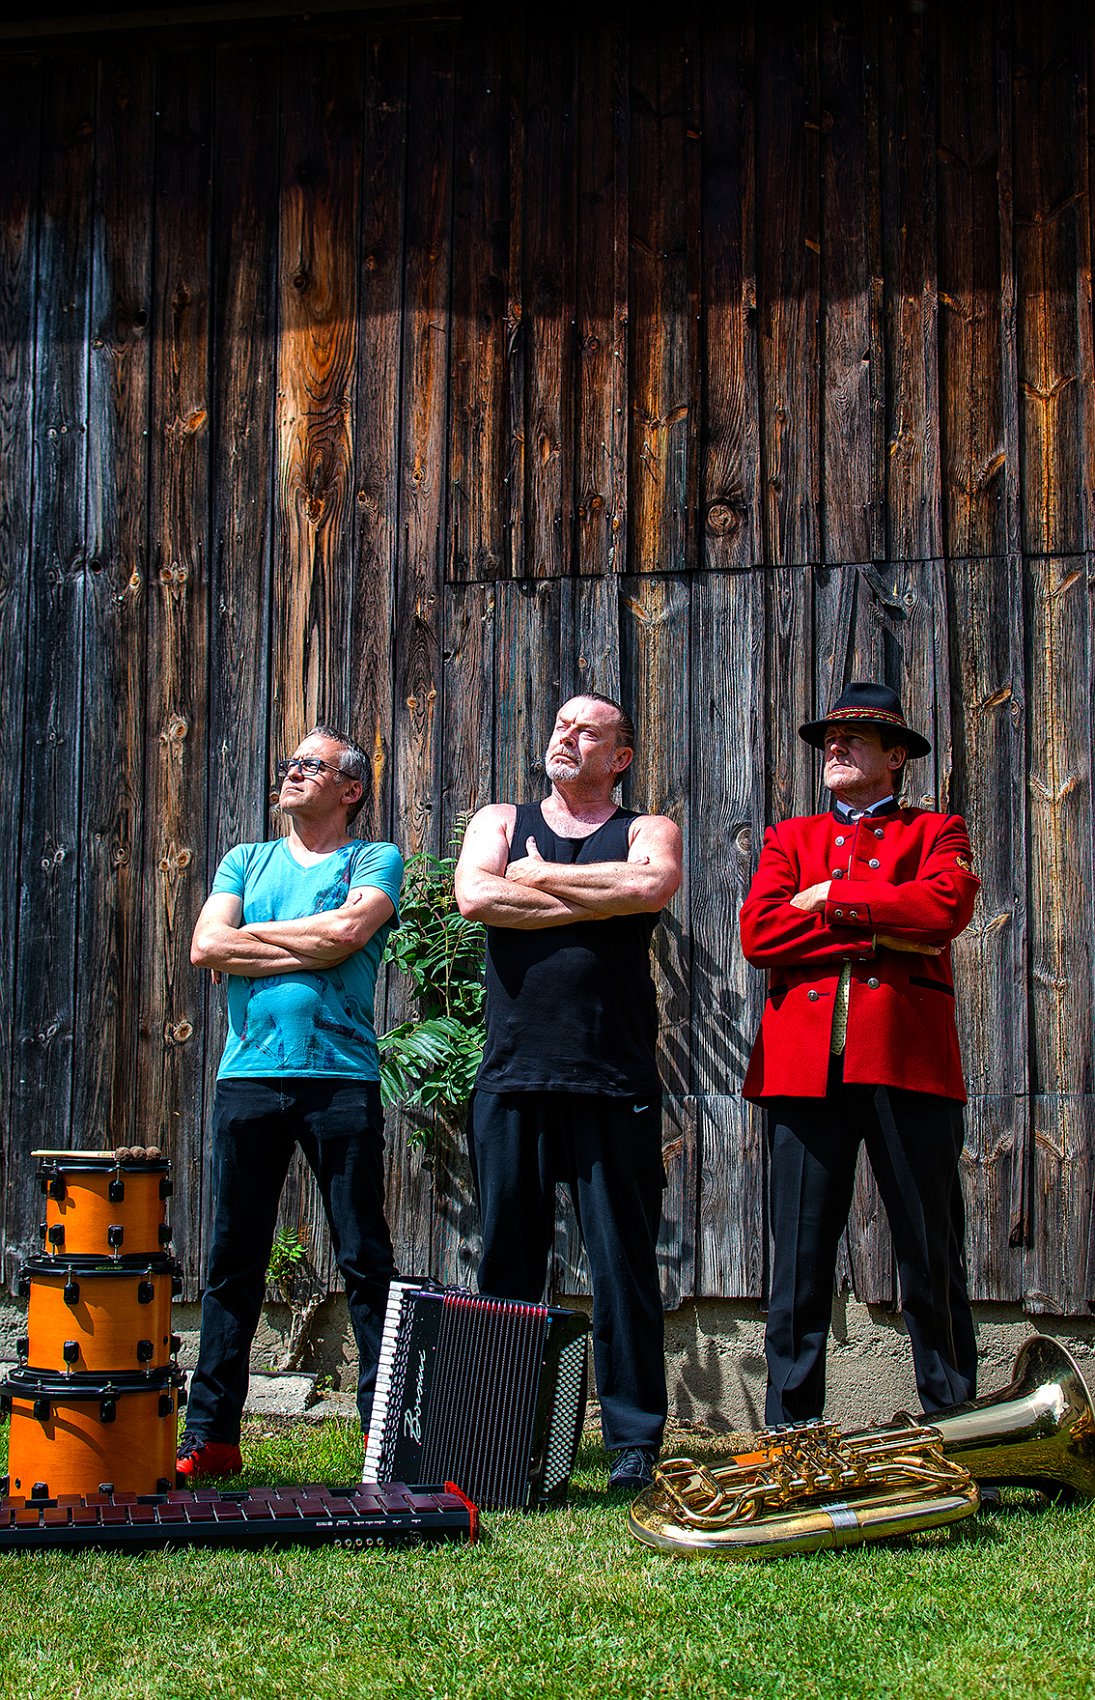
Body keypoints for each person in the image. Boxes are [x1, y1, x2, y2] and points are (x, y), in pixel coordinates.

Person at [454, 693, 683, 1491]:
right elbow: (477, 898)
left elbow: (651, 889)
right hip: (513, 1075)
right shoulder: (500, 819)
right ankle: (498, 1440)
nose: (566, 736)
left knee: (623, 1267)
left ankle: (633, 1444)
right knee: (508, 1264)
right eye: (560, 725)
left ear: (619, 758)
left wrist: (541, 878)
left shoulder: (647, 829)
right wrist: (596, 895)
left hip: (612, 1077)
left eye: (588, 731)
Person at [739, 681, 980, 1424]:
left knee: (929, 1254)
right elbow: (761, 934)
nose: (835, 747)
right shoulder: (788, 838)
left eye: (855, 738)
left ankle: (955, 1429)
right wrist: (884, 930)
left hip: (907, 1061)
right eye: (829, 739)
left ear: (896, 756)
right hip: (801, 1069)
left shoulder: (937, 831)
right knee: (799, 1263)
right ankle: (791, 1436)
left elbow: (942, 910)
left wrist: (828, 900)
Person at [178, 725, 403, 1478]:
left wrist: (253, 937)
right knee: (232, 1259)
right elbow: (206, 947)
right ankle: (210, 1437)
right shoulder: (245, 859)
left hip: (341, 1077)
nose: (292, 773)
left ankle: (383, 1437)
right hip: (248, 1078)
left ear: (351, 789)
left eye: (312, 765)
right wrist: (307, 940)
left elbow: (347, 933)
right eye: (289, 763)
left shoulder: (373, 859)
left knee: (364, 1257)